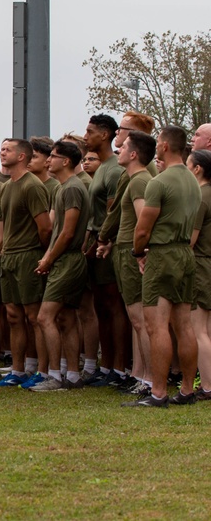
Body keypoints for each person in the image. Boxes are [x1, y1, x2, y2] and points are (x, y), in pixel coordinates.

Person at [125, 125, 201, 407]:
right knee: (184, 325)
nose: (156, 146)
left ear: (166, 146)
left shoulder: (159, 181)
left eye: (158, 142)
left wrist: (137, 253)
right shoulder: (193, 180)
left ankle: (158, 392)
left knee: (156, 325)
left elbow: (143, 229)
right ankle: (187, 390)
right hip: (185, 253)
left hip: (163, 253)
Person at [0, 139, 52, 388]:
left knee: (34, 316)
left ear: (22, 156)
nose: (2, 153)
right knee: (13, 315)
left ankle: (43, 370)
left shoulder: (32, 185)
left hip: (28, 255)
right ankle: (17, 370)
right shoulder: (5, 188)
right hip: (9, 256)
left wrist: (39, 254)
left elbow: (45, 227)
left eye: (8, 150)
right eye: (1, 149)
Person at [28, 141, 90, 392]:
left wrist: (49, 258)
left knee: (45, 317)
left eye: (53, 156)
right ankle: (72, 374)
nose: (48, 160)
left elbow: (67, 232)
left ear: (65, 161)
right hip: (66, 259)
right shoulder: (65, 188)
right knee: (66, 317)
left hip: (68, 260)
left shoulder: (72, 188)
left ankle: (55, 375)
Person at [99, 131, 157, 395]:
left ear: (134, 154)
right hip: (123, 250)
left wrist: (139, 252)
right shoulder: (134, 179)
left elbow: (143, 220)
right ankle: (142, 376)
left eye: (123, 148)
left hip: (131, 254)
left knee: (140, 319)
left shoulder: (139, 181)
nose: (118, 150)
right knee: (137, 319)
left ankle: (148, 379)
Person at [83, 113, 130, 387]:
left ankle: (120, 368)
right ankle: (107, 364)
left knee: (114, 306)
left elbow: (114, 211)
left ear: (105, 135)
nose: (86, 136)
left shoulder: (113, 169)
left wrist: (102, 240)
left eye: (90, 132)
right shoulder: (101, 167)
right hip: (95, 243)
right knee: (101, 306)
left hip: (107, 245)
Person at [186, 149, 211, 400]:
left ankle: (207, 386)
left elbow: (190, 240)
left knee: (199, 329)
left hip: (201, 265)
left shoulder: (200, 197)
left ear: (197, 169)